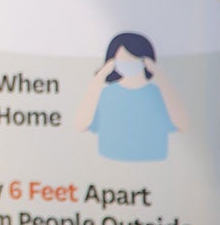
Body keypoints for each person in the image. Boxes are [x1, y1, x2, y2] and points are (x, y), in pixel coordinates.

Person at [74, 32, 189, 161]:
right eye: (123, 61)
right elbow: (81, 125)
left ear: (147, 62)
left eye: (134, 60)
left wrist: (161, 78)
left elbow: (183, 125)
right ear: (112, 63)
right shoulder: (107, 94)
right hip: (110, 164)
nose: (129, 64)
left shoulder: (159, 94)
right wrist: (99, 78)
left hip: (154, 165)